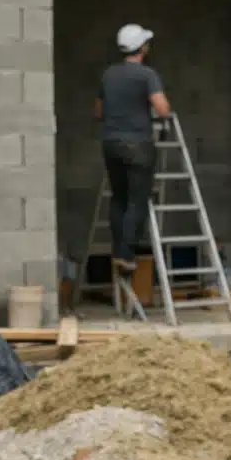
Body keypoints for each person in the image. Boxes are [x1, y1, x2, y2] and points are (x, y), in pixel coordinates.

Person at [97, 23, 171, 274]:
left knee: (119, 198)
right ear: (142, 48)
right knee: (138, 200)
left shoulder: (108, 74)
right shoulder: (146, 75)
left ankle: (118, 250)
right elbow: (162, 109)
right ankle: (126, 254)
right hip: (137, 144)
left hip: (111, 143)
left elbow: (98, 111)